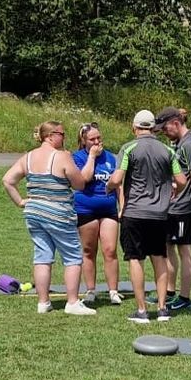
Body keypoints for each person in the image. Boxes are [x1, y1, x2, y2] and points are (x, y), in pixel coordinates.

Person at [0, 121, 98, 316]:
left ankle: (43, 302)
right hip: (58, 213)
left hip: (34, 212)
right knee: (72, 256)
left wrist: (20, 201)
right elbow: (79, 184)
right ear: (50, 136)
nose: (64, 137)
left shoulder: (28, 157)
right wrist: (90, 159)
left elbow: (8, 180)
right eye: (61, 133)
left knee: (42, 256)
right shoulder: (61, 156)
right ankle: (72, 302)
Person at [114, 109, 183, 324]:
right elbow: (181, 181)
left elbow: (117, 179)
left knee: (135, 259)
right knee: (159, 258)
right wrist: (173, 191)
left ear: (134, 127)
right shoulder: (167, 151)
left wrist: (109, 186)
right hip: (160, 215)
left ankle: (142, 310)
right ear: (153, 128)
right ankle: (162, 309)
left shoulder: (128, 148)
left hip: (134, 212)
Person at [160, 107, 191, 314]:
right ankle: (169, 292)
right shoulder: (179, 143)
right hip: (173, 206)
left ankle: (185, 297)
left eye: (165, 128)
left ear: (176, 123)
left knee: (184, 249)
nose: (164, 132)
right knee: (169, 246)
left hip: (184, 207)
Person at [70, 123, 122, 306]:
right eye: (92, 139)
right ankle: (91, 289)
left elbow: (118, 183)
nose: (97, 142)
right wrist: (92, 157)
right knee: (89, 251)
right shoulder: (77, 157)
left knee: (110, 250)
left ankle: (113, 291)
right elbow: (83, 179)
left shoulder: (110, 157)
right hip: (86, 209)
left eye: (99, 138)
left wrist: (122, 206)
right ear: (84, 141)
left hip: (108, 209)